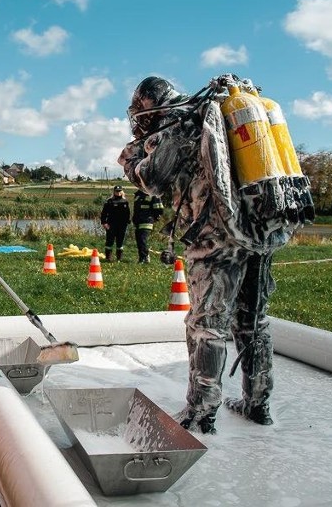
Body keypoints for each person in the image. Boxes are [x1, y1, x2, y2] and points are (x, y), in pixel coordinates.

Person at [119, 75, 308, 434]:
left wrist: (138, 151)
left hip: (215, 240)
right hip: (258, 233)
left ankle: (202, 411)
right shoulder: (214, 114)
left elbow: (151, 179)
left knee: (207, 325)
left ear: (149, 107)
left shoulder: (177, 127)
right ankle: (258, 403)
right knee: (253, 321)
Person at [100, 185, 131, 261]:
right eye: (116, 191)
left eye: (119, 191)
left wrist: (128, 222)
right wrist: (104, 223)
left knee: (120, 242)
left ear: (122, 191)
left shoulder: (125, 202)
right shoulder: (109, 201)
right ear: (114, 192)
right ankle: (108, 258)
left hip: (122, 225)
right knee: (109, 241)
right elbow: (104, 213)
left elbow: (128, 214)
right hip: (111, 225)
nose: (118, 192)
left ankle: (119, 259)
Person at [132, 189, 163, 263]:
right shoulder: (138, 194)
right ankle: (142, 257)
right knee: (139, 240)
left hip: (147, 220)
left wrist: (154, 217)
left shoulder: (153, 194)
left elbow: (159, 208)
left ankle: (144, 257)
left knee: (142, 239)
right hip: (138, 221)